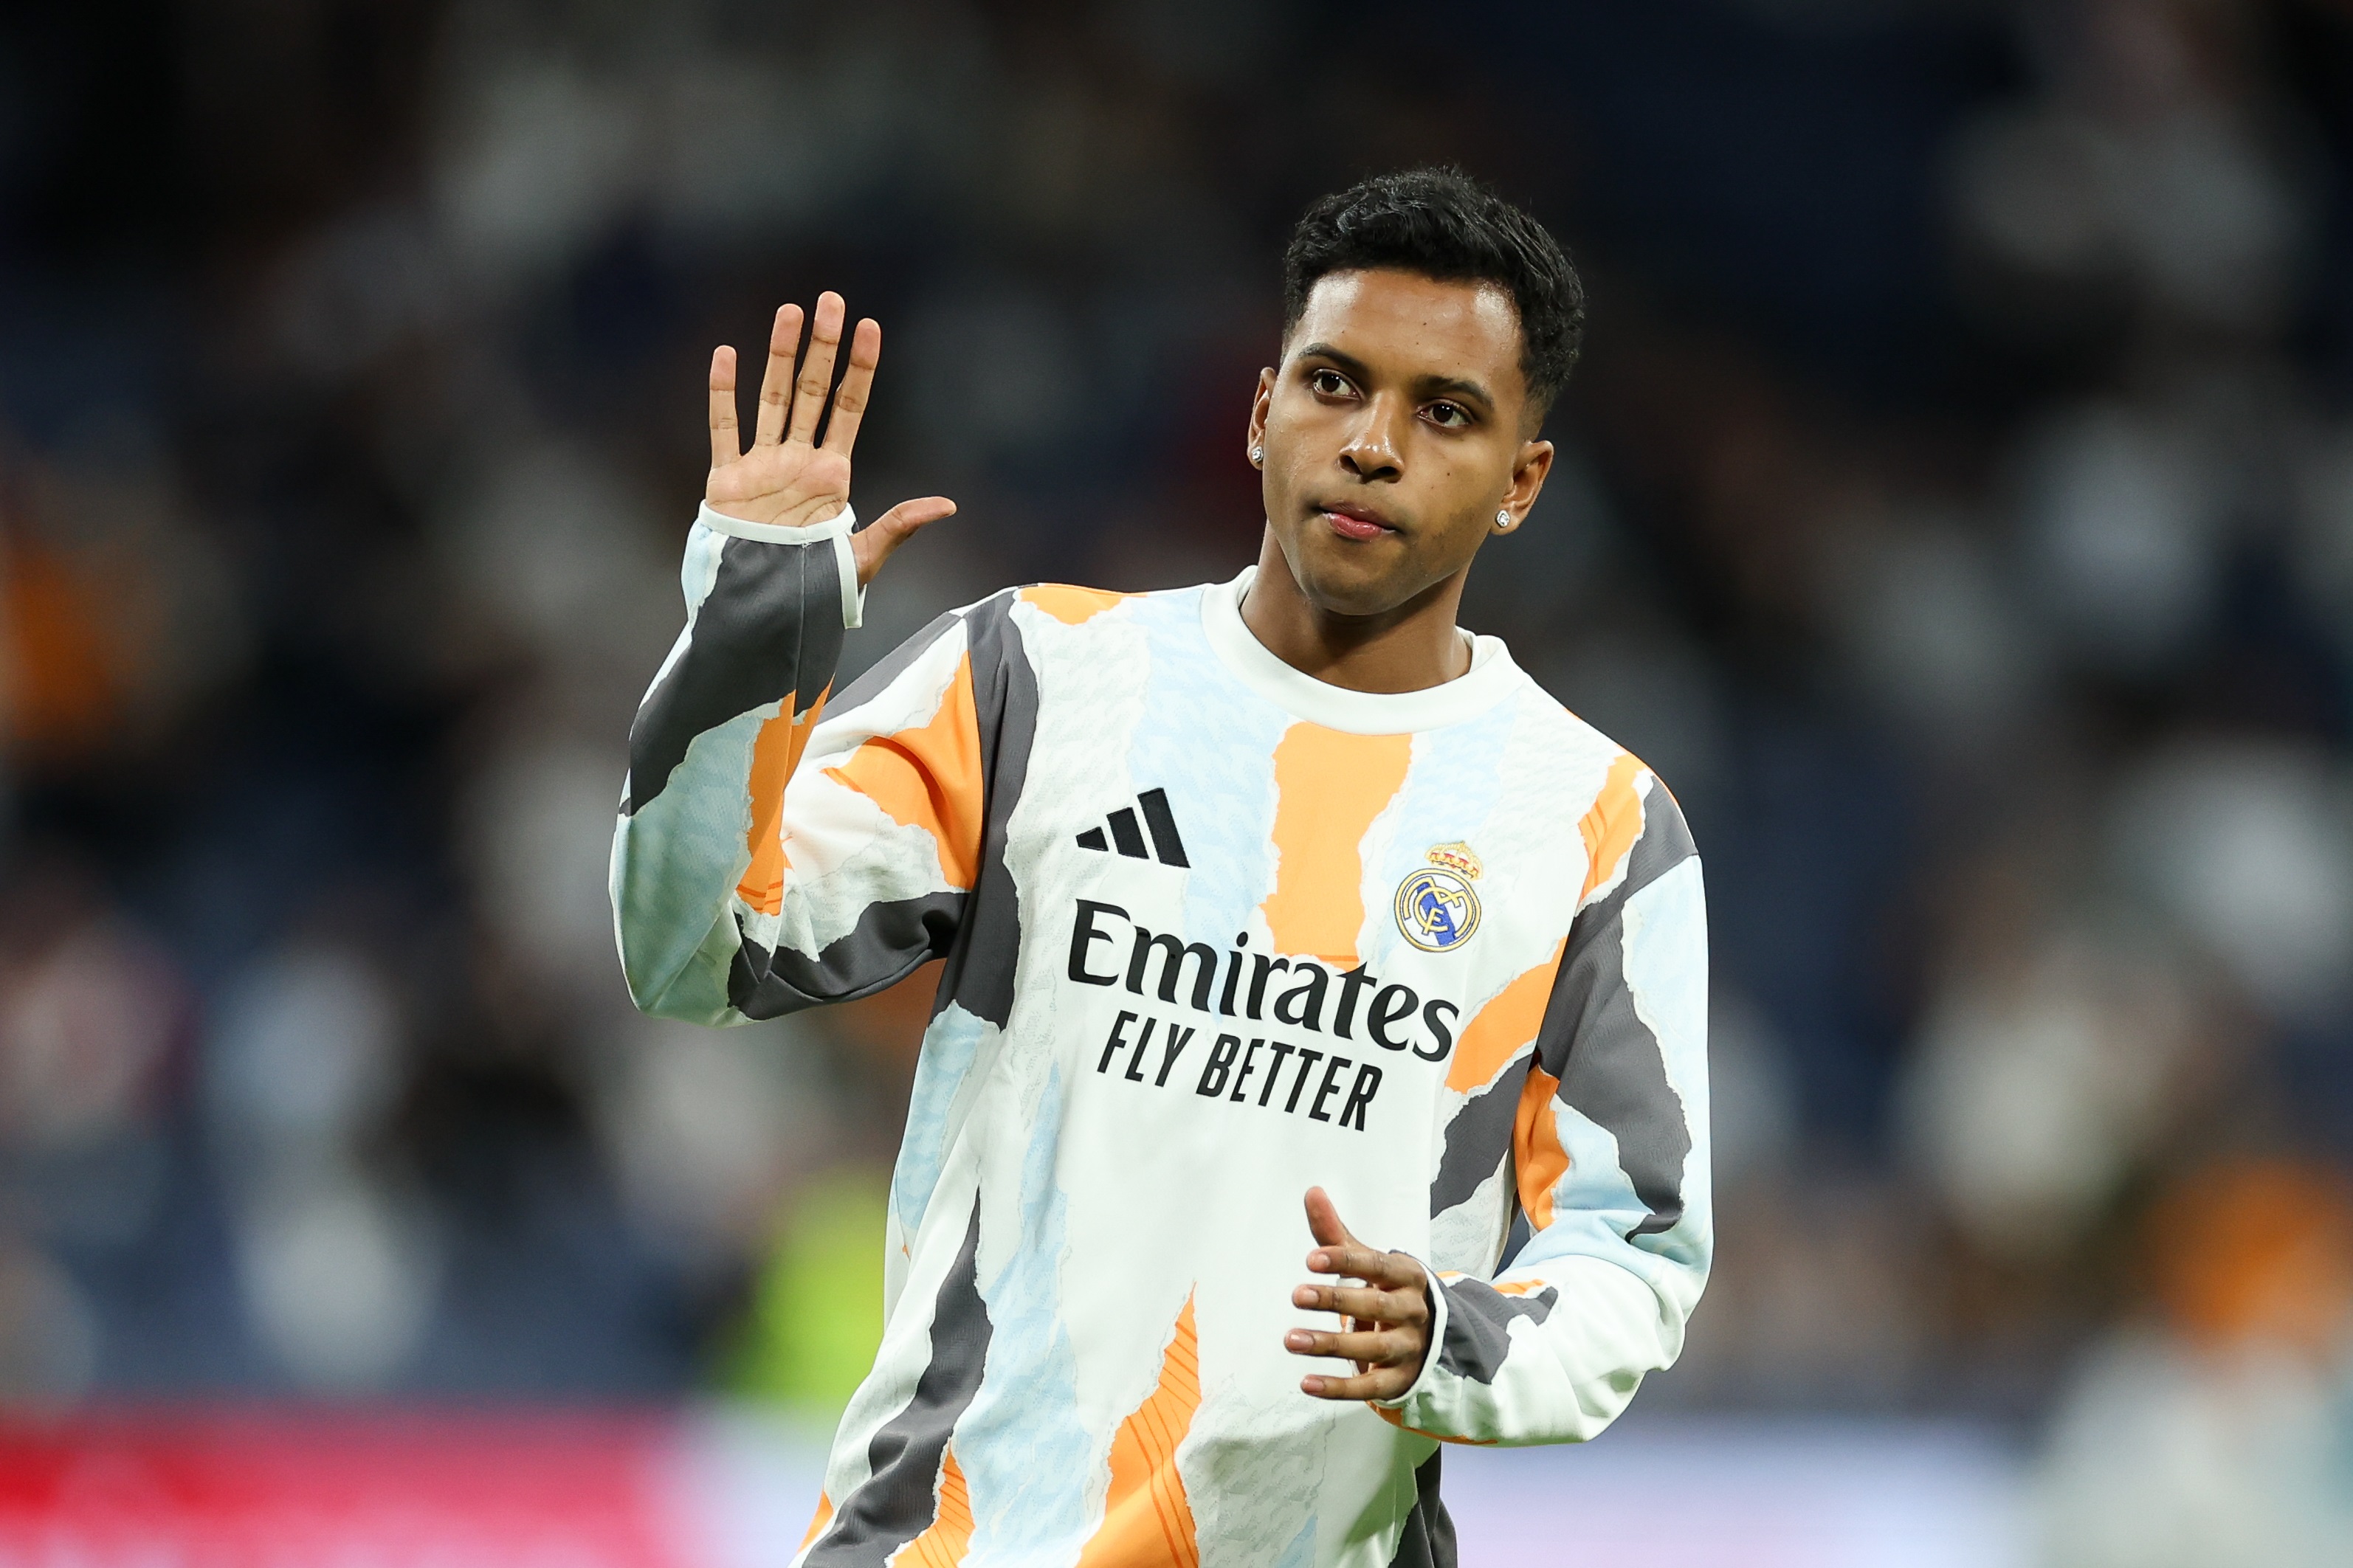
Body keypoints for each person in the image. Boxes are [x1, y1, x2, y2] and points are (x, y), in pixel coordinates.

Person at [611, 167, 1710, 1568]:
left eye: (1445, 413)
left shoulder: (1599, 826)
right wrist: (748, 642)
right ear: (1262, 414)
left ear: (1522, 483)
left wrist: (1454, 1335)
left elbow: (1635, 1253)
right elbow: (693, 952)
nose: (1372, 444)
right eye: (1334, 383)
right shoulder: (1030, 677)